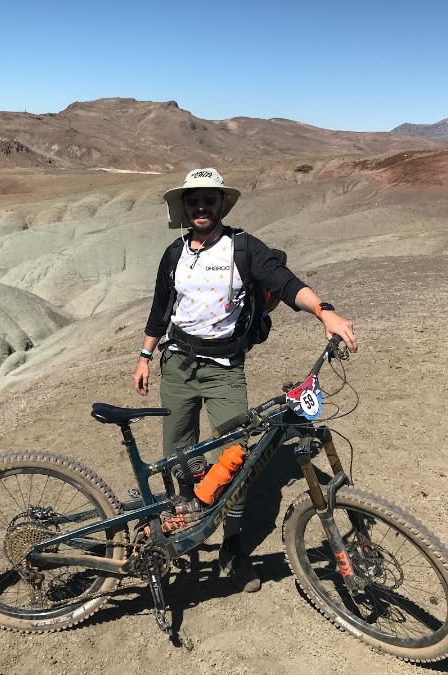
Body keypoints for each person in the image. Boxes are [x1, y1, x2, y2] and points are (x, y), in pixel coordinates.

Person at [133, 167, 358, 593]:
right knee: (179, 455)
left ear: (222, 204)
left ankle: (233, 550)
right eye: (194, 200)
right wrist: (145, 356)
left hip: (224, 369)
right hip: (177, 365)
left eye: (209, 199)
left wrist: (323, 311)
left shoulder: (244, 248)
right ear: (185, 206)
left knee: (234, 459)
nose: (201, 207)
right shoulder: (173, 254)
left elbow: (285, 283)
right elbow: (161, 310)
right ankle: (187, 516)